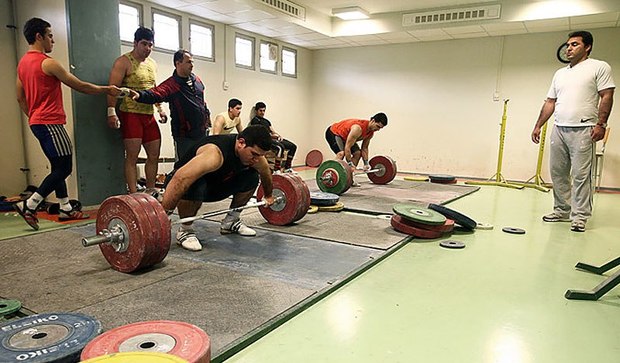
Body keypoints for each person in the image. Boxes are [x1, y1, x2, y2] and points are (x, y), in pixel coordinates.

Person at [14, 17, 122, 230]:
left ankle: (64, 207)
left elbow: (20, 98)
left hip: (37, 123)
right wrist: (107, 90)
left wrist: (34, 116)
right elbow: (80, 85)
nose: (52, 41)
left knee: (57, 166)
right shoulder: (48, 63)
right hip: (50, 123)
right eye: (50, 36)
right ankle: (30, 204)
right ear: (39, 37)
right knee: (64, 168)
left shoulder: (23, 64)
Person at [531, 30, 614, 232]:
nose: (569, 48)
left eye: (575, 44)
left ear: (587, 47)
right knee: (558, 173)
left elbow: (607, 95)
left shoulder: (599, 67)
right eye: (568, 45)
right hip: (559, 128)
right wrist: (538, 124)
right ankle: (561, 211)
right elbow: (550, 101)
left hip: (585, 128)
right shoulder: (560, 74)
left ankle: (579, 217)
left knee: (581, 175)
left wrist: (601, 124)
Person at [161, 125, 275, 251]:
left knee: (251, 177)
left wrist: (269, 195)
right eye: (254, 154)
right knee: (195, 184)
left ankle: (231, 221)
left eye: (260, 156)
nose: (257, 159)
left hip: (213, 185)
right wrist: (163, 216)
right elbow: (180, 179)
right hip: (182, 184)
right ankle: (185, 230)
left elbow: (265, 173)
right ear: (241, 143)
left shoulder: (255, 156)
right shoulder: (214, 153)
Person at [107, 27, 167, 193]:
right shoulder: (123, 62)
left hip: (148, 114)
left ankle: (150, 190)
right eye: (144, 44)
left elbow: (153, 89)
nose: (147, 48)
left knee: (154, 154)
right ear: (135, 43)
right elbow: (113, 88)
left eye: (150, 45)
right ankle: (133, 193)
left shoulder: (152, 64)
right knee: (132, 156)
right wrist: (111, 111)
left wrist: (160, 108)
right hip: (130, 114)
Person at [131, 49, 211, 160]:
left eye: (192, 62)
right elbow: (156, 93)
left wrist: (207, 118)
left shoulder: (197, 80)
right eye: (188, 62)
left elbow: (202, 102)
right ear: (178, 63)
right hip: (185, 136)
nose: (192, 65)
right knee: (184, 167)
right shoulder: (172, 85)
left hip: (202, 133)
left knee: (202, 166)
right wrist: (140, 95)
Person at [325, 113, 388, 185]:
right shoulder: (357, 128)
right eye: (377, 126)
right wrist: (350, 164)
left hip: (346, 137)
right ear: (373, 121)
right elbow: (347, 148)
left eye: (380, 128)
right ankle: (330, 175)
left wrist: (366, 164)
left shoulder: (371, 133)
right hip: (334, 132)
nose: (378, 129)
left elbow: (364, 148)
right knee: (341, 153)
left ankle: (349, 178)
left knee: (357, 153)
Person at [249, 101, 297, 172]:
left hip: (272, 138)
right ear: (256, 111)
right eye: (260, 111)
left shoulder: (266, 121)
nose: (262, 112)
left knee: (293, 146)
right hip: (265, 140)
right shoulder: (255, 121)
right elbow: (259, 134)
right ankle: (276, 169)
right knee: (280, 148)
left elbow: (272, 131)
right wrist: (271, 136)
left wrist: (278, 135)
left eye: (264, 110)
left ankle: (287, 168)